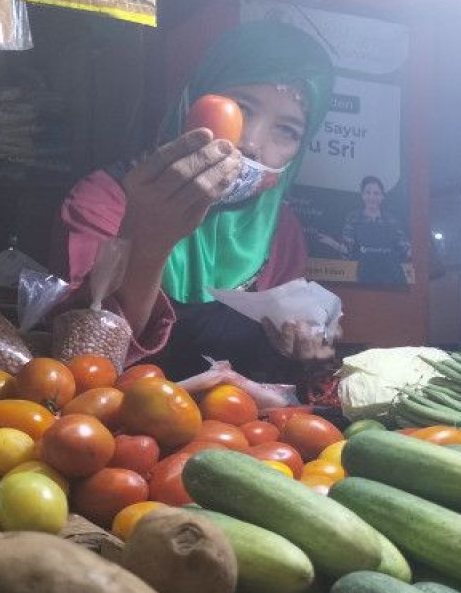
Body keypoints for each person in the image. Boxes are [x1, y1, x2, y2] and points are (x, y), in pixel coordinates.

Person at [47, 21, 338, 382]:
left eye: (287, 130)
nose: (250, 142)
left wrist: (303, 343)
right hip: (113, 430)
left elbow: (275, 369)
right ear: (192, 100)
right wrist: (147, 237)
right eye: (240, 109)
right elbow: (85, 359)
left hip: (237, 433)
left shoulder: (281, 231)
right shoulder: (105, 200)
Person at [341, 175, 410, 285]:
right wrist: (331, 243)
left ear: (382, 196)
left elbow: (406, 249)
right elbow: (346, 251)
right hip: (365, 279)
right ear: (362, 195)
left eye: (376, 193)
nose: (371, 197)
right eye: (368, 192)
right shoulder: (353, 218)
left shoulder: (392, 220)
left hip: (393, 279)